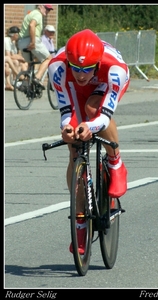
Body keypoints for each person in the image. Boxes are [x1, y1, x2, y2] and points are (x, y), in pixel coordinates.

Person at [48, 29, 130, 255]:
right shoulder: (58, 68)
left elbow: (103, 116)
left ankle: (115, 162)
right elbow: (66, 109)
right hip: (76, 92)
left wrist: (91, 126)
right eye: (76, 68)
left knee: (93, 109)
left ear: (96, 63)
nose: (81, 74)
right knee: (74, 147)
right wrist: (68, 127)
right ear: (69, 62)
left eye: (86, 69)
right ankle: (80, 222)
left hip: (104, 86)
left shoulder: (115, 69)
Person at [17, 4, 54, 90]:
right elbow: (32, 25)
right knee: (49, 58)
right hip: (31, 40)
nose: (47, 11)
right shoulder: (38, 14)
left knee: (31, 62)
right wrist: (33, 42)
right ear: (40, 6)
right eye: (46, 8)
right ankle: (37, 78)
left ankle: (26, 84)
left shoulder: (30, 14)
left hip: (21, 42)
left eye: (49, 10)